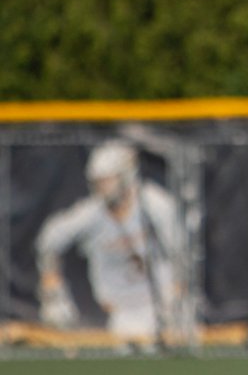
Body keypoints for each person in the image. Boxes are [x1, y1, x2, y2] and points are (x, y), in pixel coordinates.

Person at [35, 140, 181, 349]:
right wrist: (52, 291)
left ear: (125, 176)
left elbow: (181, 252)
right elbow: (49, 240)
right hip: (120, 314)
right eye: (98, 182)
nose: (102, 188)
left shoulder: (153, 204)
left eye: (107, 181)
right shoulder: (92, 213)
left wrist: (175, 293)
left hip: (160, 307)